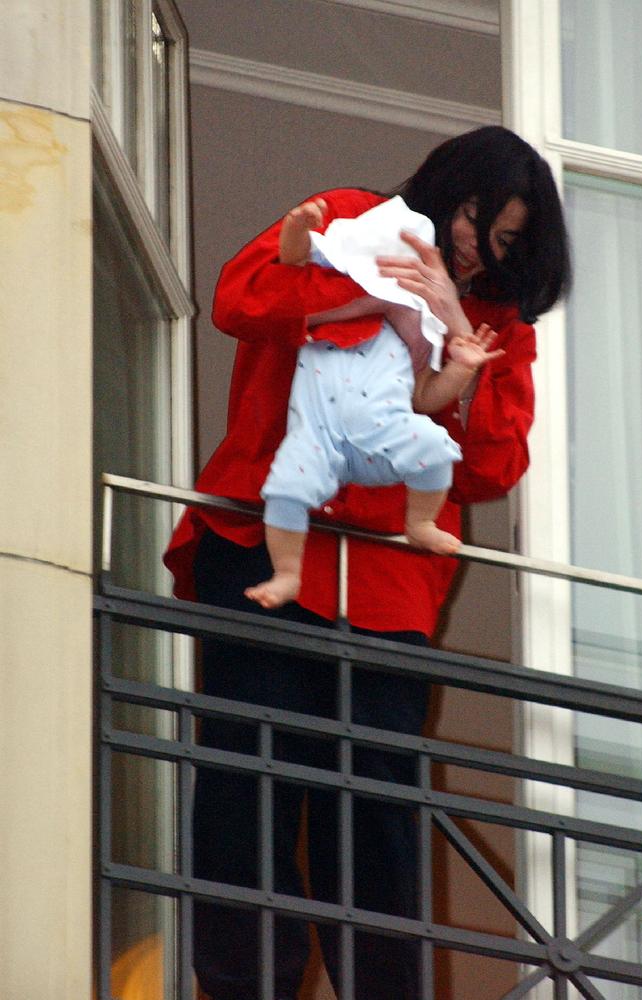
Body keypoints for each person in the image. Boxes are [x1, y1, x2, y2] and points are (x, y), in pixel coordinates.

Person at [163, 125, 571, 1000]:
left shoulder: (501, 324)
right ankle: (241, 985)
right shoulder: (354, 219)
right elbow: (240, 298)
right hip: (265, 545)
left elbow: (494, 464)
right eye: (470, 215)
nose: (472, 243)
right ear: (445, 189)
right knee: (250, 775)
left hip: (388, 587)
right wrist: (364, 289)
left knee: (379, 806)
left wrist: (458, 325)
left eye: (499, 239)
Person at [246, 195, 506, 609]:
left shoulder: (416, 331)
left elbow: (425, 396)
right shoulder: (330, 305)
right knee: (286, 491)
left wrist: (461, 369)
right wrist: (298, 226)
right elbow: (294, 258)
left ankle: (419, 521)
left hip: (381, 438)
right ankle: (288, 573)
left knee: (435, 446)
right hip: (317, 438)